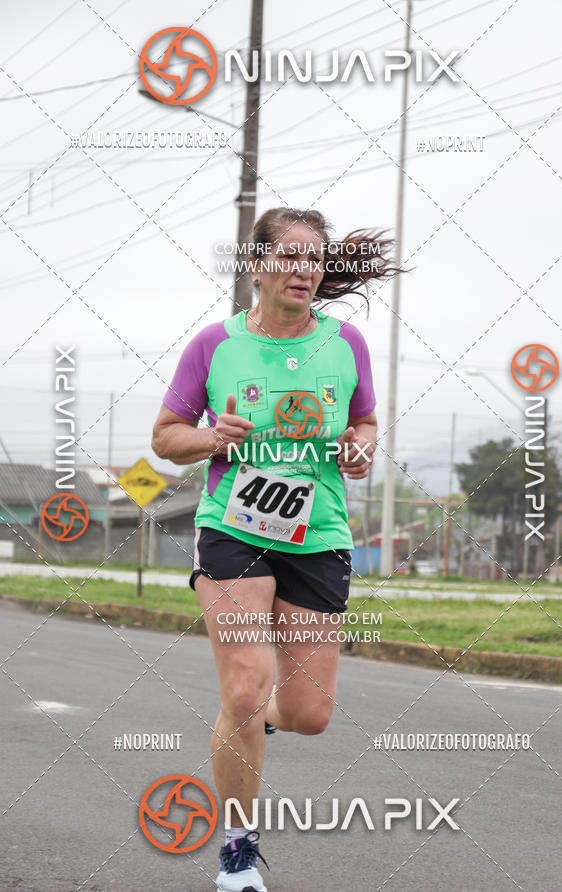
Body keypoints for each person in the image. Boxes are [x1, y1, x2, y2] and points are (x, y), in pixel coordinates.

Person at [151, 207, 400, 892]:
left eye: (313, 259)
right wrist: (210, 436)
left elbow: (366, 420)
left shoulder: (345, 343)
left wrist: (361, 448)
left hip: (316, 535)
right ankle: (237, 853)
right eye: (288, 257)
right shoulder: (215, 344)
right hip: (233, 529)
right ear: (255, 265)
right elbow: (166, 434)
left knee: (309, 715)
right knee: (241, 688)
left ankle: (249, 716)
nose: (303, 271)